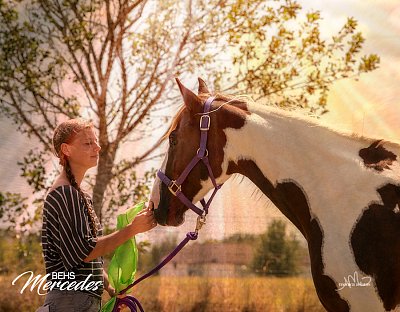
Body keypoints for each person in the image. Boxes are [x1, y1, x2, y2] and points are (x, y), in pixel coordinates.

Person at [36, 118, 157, 312]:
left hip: (79, 301)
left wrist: (108, 286)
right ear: (66, 150)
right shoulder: (65, 194)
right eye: (87, 143)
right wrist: (132, 229)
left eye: (95, 141)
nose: (98, 147)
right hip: (70, 302)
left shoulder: (78, 195)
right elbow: (85, 252)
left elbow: (85, 255)